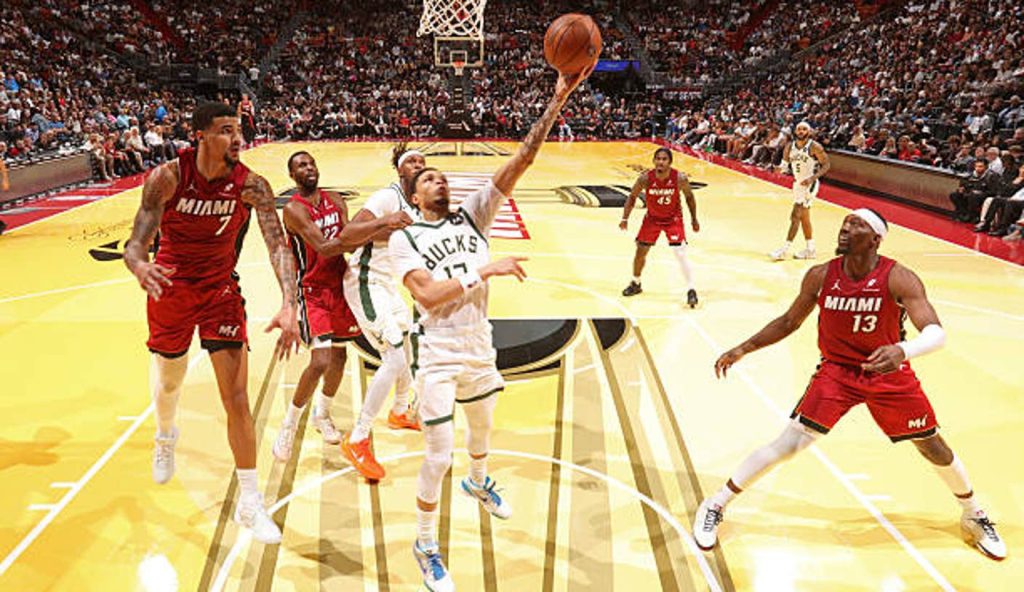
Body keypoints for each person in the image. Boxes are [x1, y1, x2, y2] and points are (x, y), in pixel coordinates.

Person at [692, 209, 1006, 561]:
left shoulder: (898, 277)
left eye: (856, 225)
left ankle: (973, 514)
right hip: (838, 372)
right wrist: (743, 348)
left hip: (887, 371)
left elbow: (936, 333)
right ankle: (716, 503)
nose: (845, 228)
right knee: (790, 442)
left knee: (931, 444)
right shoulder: (821, 275)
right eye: (844, 223)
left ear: (875, 239)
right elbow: (789, 321)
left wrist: (903, 350)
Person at [389, 67, 592, 592]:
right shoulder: (404, 239)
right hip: (436, 353)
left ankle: (478, 484)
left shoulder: (473, 217)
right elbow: (429, 296)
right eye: (429, 178)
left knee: (481, 434)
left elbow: (523, 157)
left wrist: (559, 97)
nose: (440, 179)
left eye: (441, 175)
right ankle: (426, 544)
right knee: (438, 455)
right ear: (414, 196)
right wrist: (482, 269)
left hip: (479, 344)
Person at [123, 101, 301, 545]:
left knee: (237, 398)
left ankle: (249, 501)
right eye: (225, 130)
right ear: (200, 135)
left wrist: (289, 302)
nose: (236, 139)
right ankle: (166, 435)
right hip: (171, 287)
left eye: (239, 130)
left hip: (220, 290)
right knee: (169, 382)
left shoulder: (251, 185)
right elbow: (136, 241)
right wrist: (140, 266)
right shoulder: (167, 178)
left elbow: (278, 244)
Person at [272, 151, 411, 461]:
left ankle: (323, 414)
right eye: (300, 167)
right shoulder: (294, 210)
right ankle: (289, 426)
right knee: (319, 361)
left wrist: (398, 231)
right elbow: (325, 246)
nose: (308, 168)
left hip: (340, 284)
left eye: (310, 163)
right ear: (293, 177)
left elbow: (352, 234)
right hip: (312, 289)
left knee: (339, 357)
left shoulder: (335, 199)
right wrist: (381, 222)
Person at [339, 142, 428, 481]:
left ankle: (400, 411)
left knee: (405, 346)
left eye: (423, 160)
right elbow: (348, 234)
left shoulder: (419, 206)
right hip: (364, 281)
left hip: (387, 284)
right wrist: (386, 221)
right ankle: (358, 437)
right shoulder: (386, 198)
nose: (419, 164)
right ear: (400, 170)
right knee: (393, 358)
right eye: (411, 161)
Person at [619, 147, 701, 307]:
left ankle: (691, 289)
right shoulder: (645, 178)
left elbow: (690, 197)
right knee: (640, 251)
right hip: (652, 219)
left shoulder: (679, 178)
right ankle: (636, 283)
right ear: (654, 161)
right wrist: (625, 218)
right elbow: (632, 197)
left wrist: (694, 219)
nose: (660, 162)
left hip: (673, 219)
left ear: (670, 162)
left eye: (664, 159)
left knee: (680, 253)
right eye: (658, 159)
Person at [769, 121, 831, 261]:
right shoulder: (789, 147)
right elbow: (784, 166)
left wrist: (812, 178)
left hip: (810, 184)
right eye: (799, 129)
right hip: (798, 184)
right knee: (804, 218)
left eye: (804, 129)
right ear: (795, 132)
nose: (801, 131)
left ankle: (784, 250)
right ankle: (810, 249)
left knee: (795, 215)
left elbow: (827, 164)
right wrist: (777, 169)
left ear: (808, 132)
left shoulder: (814, 146)